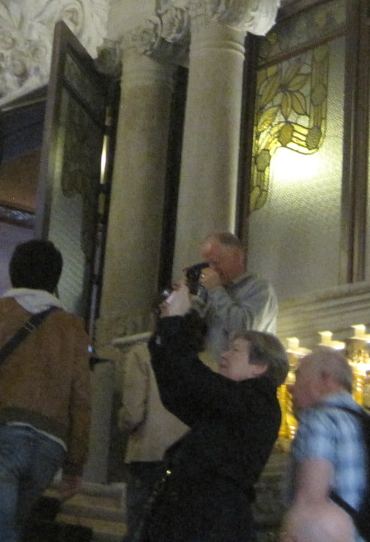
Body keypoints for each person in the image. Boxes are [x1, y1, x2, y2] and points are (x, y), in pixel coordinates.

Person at [0, 239, 91, 542]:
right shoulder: (73, 328)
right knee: (11, 528)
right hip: (49, 445)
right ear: (55, 277)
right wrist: (75, 465)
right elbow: (81, 400)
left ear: (14, 271)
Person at [145, 281, 286, 542]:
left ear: (259, 367)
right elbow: (177, 392)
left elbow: (192, 377)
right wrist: (166, 326)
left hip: (212, 524)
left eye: (235, 350)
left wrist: (177, 321)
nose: (223, 355)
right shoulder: (234, 401)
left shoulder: (258, 402)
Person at [283, 347, 366, 540]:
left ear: (324, 378)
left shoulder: (318, 421)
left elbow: (311, 503)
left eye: (298, 376)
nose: (290, 388)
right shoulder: (367, 421)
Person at [115, 332, 189, 542]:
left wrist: (122, 421)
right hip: (187, 459)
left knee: (141, 528)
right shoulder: (206, 359)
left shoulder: (142, 354)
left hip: (149, 453)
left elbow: (132, 414)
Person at [194, 231, 278, 358]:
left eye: (216, 263)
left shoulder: (260, 289)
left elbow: (244, 330)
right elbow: (195, 321)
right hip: (210, 365)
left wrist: (216, 290)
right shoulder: (208, 287)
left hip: (246, 367)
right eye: (207, 264)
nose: (212, 269)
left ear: (237, 256)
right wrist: (187, 293)